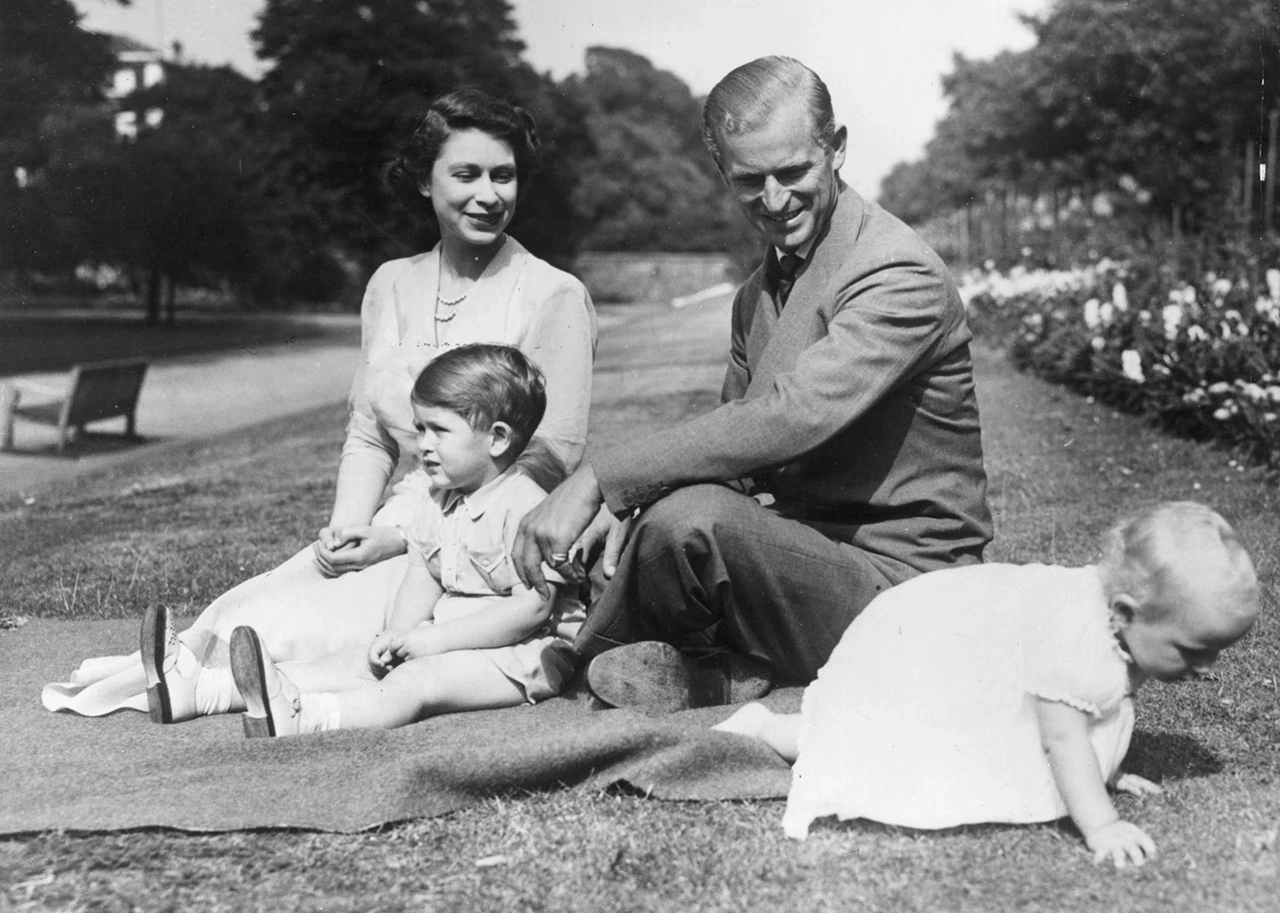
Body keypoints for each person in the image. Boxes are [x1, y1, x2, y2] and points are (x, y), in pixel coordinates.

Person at [43, 88, 597, 722]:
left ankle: (215, 688)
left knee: (300, 631)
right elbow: (369, 433)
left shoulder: (553, 294)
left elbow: (551, 458)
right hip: (389, 522)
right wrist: (346, 532)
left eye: (504, 175)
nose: (489, 194)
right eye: (466, 174)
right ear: (423, 180)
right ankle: (191, 681)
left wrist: (399, 538)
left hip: (478, 547)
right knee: (244, 608)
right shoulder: (391, 284)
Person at [514, 56, 991, 710]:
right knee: (659, 513)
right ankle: (692, 667)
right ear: (724, 174)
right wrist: (619, 509)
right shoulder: (756, 294)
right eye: (750, 181)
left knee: (691, 518)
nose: (774, 201)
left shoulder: (896, 271)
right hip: (802, 558)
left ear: (837, 149)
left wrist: (602, 476)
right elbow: (732, 456)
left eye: (793, 172)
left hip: (910, 590)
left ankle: (589, 663)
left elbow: (790, 417)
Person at [712, 502, 1260, 868]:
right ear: (1125, 611)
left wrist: (1109, 768)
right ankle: (771, 728)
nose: (1208, 667)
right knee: (880, 744)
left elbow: (1104, 708)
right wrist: (1102, 824)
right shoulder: (1078, 636)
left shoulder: (1122, 630)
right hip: (932, 657)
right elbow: (1064, 738)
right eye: (1193, 650)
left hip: (972, 653)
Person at [228, 344, 583, 736]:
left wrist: (435, 640)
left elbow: (531, 610)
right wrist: (397, 633)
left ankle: (307, 716)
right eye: (419, 428)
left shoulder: (525, 507)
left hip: (525, 655)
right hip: (451, 638)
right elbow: (423, 572)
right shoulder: (439, 498)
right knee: (357, 660)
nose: (423, 445)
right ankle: (215, 689)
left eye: (439, 430)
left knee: (417, 683)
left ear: (497, 439)